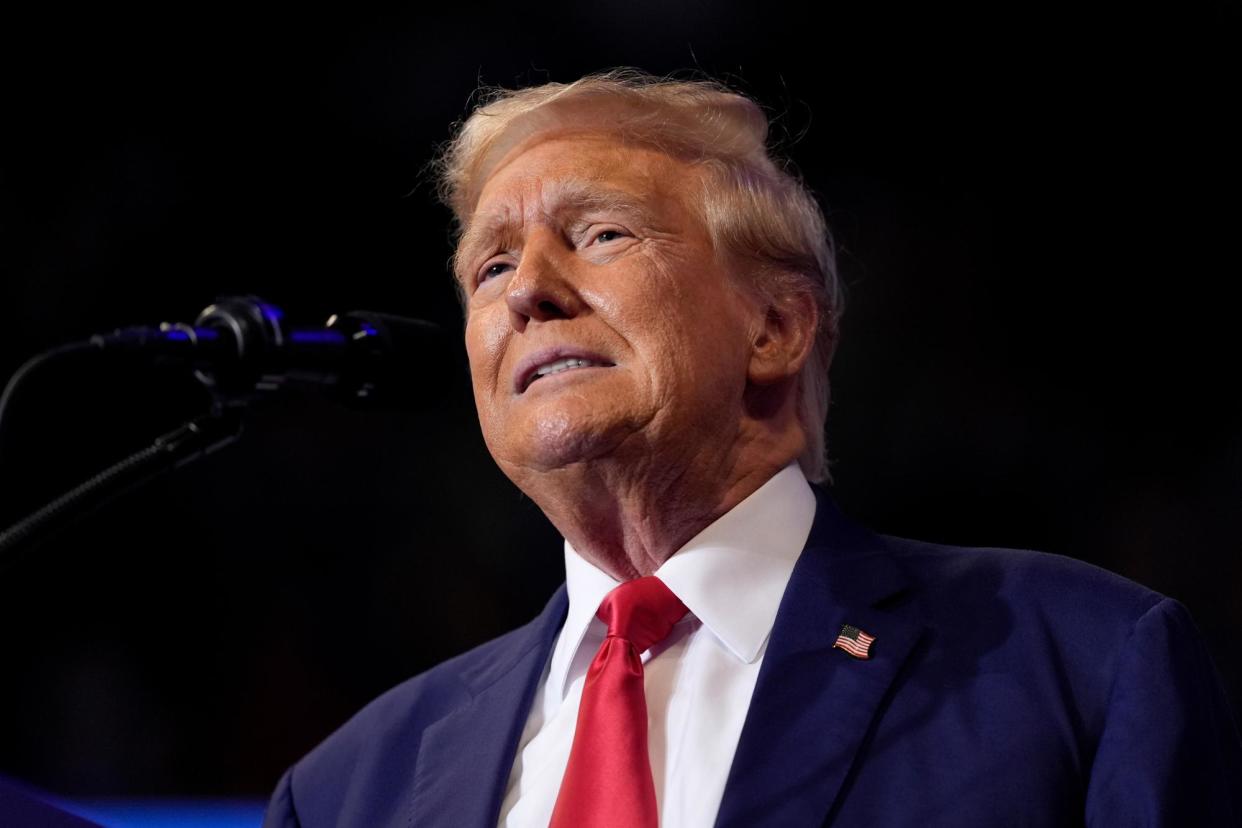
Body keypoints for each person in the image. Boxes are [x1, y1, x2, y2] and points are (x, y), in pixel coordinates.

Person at [262, 71, 1242, 827]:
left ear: (775, 326)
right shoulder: (354, 786)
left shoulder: (1081, 669)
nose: (529, 291)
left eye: (599, 233)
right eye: (491, 264)